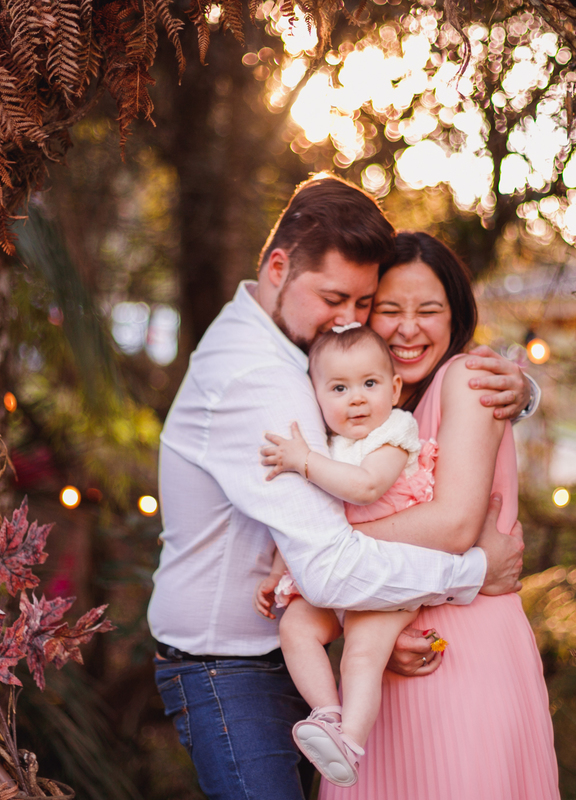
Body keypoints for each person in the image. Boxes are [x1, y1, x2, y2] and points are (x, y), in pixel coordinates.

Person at [147, 176, 535, 800]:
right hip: (229, 667)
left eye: (361, 302)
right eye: (337, 298)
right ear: (278, 267)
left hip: (306, 649)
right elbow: (328, 567)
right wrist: (474, 568)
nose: (349, 320)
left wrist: (523, 391)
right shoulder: (261, 376)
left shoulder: (302, 347)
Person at [319, 231, 559, 800]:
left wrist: (324, 543)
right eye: (389, 310)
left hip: (465, 656)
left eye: (429, 310)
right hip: (384, 665)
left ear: (456, 317)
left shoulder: (469, 378)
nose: (408, 329)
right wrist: (360, 622)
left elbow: (453, 526)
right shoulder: (371, 408)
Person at [254, 324, 441, 787]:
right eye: (339, 388)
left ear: (395, 388)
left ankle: (350, 742)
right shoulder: (327, 443)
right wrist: (278, 572)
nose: (356, 399)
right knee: (294, 627)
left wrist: (304, 462)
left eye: (370, 384)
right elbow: (304, 523)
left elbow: (366, 487)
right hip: (338, 573)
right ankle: (329, 716)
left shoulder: (394, 431)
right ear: (315, 395)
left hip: (390, 571)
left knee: (361, 649)